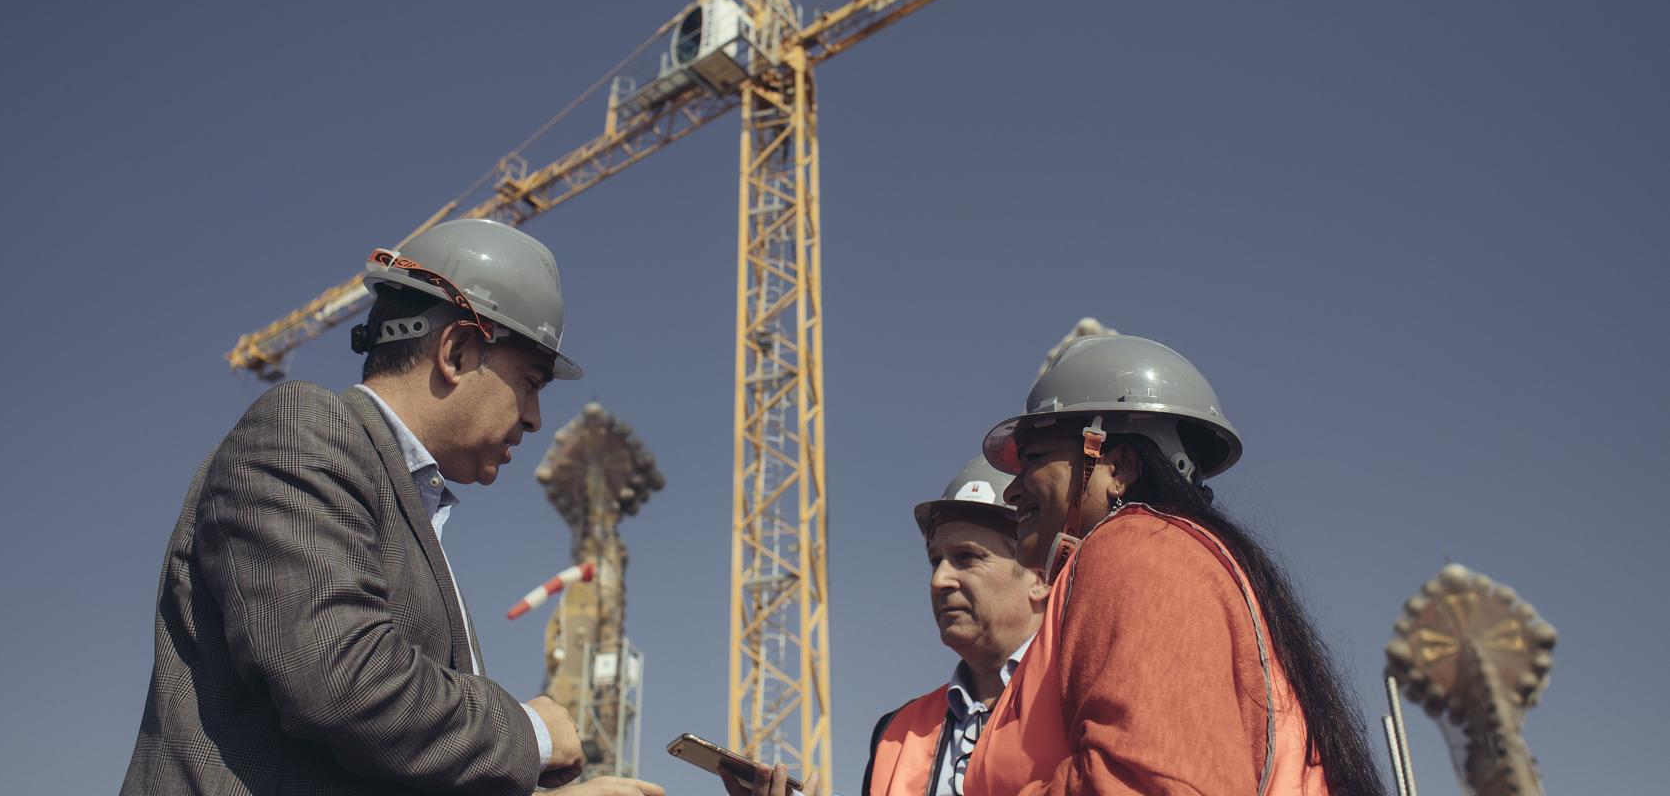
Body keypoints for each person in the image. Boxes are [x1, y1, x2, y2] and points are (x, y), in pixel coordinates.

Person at [121, 219, 663, 796]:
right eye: (530, 382)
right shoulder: (303, 428)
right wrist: (536, 733)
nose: (534, 417)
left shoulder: (407, 514)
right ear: (455, 351)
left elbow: (394, 755)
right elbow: (339, 679)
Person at [965, 335, 1385, 796]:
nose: (1012, 489)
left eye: (1034, 460)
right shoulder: (1162, 555)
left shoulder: (1139, 551)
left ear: (1118, 466)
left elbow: (1145, 782)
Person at [729, 459, 1047, 796]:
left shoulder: (1079, 696)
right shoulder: (896, 731)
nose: (939, 580)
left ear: (1039, 575)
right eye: (935, 561)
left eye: (966, 557)